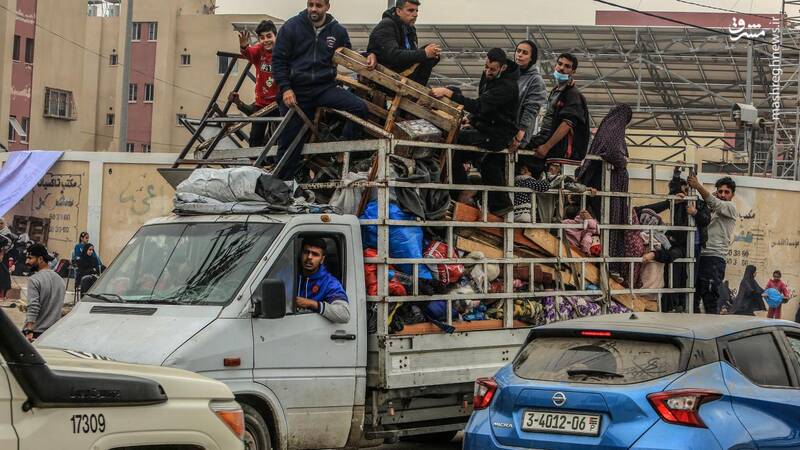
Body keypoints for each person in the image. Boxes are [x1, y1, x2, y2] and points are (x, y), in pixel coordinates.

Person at [272, 0, 375, 181]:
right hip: (297, 91)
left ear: (327, 6)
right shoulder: (291, 27)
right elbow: (278, 60)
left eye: (318, 5)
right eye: (310, 4)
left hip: (324, 88)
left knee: (360, 108)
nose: (313, 9)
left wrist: (369, 55)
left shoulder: (337, 31)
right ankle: (281, 186)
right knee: (290, 143)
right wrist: (286, 88)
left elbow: (348, 55)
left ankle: (341, 149)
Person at [431, 47, 519, 215]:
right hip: (487, 128)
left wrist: (449, 93)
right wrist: (471, 119)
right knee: (478, 159)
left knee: (455, 143)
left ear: (503, 68)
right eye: (486, 67)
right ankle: (494, 202)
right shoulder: (489, 77)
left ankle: (462, 189)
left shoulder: (507, 87)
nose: (488, 71)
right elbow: (485, 107)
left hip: (497, 134)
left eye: (493, 69)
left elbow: (480, 105)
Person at [522, 52, 590, 175]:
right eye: (560, 64)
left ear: (573, 71)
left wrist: (546, 146)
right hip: (544, 136)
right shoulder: (556, 90)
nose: (562, 68)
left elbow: (567, 124)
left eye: (567, 66)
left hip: (551, 141)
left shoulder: (572, 94)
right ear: (555, 66)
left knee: (519, 148)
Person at [688, 175, 737, 314]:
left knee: (710, 299)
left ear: (732, 195)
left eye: (727, 192)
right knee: (694, 298)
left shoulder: (730, 207)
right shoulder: (711, 210)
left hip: (714, 259)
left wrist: (698, 186)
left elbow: (714, 202)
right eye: (720, 191)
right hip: (700, 255)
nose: (723, 195)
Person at [367, 0, 440, 85]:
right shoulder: (387, 25)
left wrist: (427, 54)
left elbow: (411, 54)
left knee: (432, 53)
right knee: (427, 53)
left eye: (416, 11)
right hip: (388, 76)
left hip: (401, 74)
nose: (415, 14)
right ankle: (416, 89)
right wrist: (424, 53)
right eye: (410, 10)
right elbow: (392, 56)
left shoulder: (410, 29)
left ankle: (418, 88)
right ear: (398, 11)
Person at [235, 20, 280, 148]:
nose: (266, 40)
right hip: (262, 103)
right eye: (262, 37)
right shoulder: (259, 50)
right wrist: (244, 46)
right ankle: (255, 159)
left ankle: (279, 158)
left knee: (281, 136)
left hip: (279, 103)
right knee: (255, 139)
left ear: (275, 36)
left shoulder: (282, 51)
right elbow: (249, 52)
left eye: (269, 36)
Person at [294, 238, 350, 323]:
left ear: (322, 259)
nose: (309, 257)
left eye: (315, 254)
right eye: (306, 252)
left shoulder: (329, 282)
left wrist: (313, 304)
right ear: (300, 253)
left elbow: (344, 314)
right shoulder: (287, 273)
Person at [22, 244, 66, 342]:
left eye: (30, 258)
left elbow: (33, 306)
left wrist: (29, 330)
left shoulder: (34, 280)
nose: (27, 262)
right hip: (52, 334)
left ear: (40, 259)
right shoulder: (60, 280)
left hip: (35, 333)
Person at [510, 40, 547, 152]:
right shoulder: (509, 75)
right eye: (518, 51)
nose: (519, 54)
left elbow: (531, 109)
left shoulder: (535, 80)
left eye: (525, 53)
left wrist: (520, 135)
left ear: (532, 58)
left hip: (516, 136)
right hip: (501, 128)